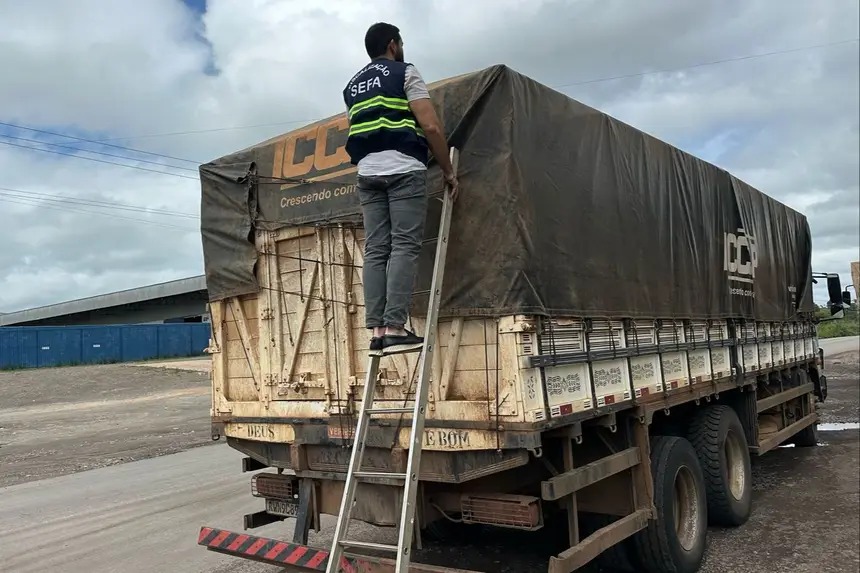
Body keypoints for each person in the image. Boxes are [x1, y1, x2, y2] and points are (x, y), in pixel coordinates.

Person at [342, 22, 458, 355]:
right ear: (393, 45)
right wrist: (448, 172)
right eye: (401, 43)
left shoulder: (351, 87)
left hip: (367, 172)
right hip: (404, 168)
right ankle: (395, 327)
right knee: (405, 246)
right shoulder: (404, 72)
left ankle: (377, 331)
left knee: (377, 249)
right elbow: (431, 125)